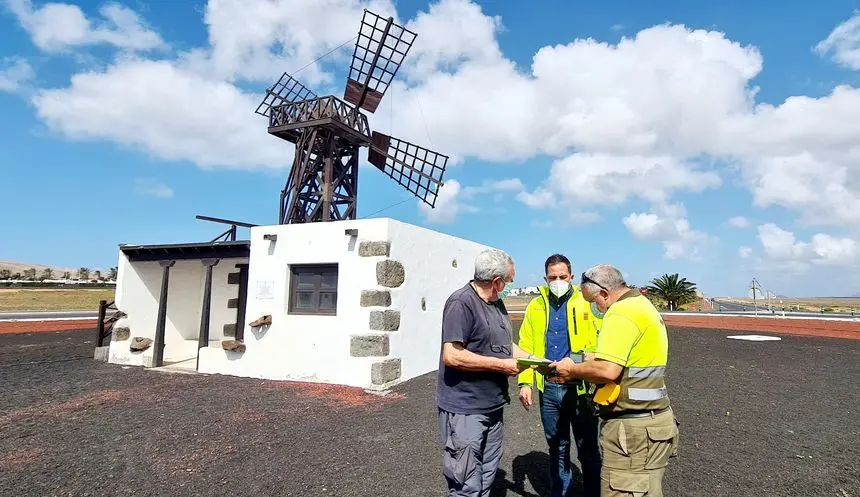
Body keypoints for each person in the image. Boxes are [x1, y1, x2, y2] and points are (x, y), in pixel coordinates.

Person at [547, 264, 679, 497]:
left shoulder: (620, 313)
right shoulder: (642, 306)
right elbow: (630, 359)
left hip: (632, 431)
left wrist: (573, 369)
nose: (595, 308)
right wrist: (593, 358)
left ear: (605, 293)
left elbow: (608, 371)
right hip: (656, 423)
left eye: (594, 301)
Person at [437, 248, 531, 497]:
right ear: (497, 281)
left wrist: (535, 361)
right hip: (466, 408)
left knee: (487, 476)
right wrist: (502, 366)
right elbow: (452, 354)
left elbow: (504, 344)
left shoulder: (496, 303)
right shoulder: (461, 303)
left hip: (492, 406)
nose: (510, 285)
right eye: (509, 281)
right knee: (465, 482)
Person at [516, 254, 602, 497]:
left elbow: (600, 344)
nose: (557, 281)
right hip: (549, 388)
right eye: (552, 277)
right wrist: (525, 383)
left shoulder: (587, 303)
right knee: (557, 449)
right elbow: (526, 346)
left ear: (572, 277)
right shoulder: (535, 306)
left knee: (588, 450)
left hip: (580, 388)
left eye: (562, 277)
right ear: (545, 278)